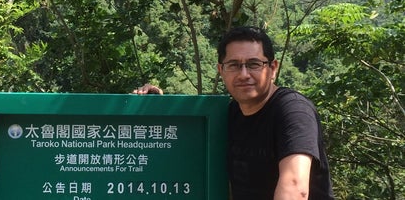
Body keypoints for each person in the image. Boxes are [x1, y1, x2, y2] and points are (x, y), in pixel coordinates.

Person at [133, 26, 334, 199]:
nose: (244, 74)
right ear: (221, 71)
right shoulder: (231, 113)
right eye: (234, 65)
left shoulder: (292, 110)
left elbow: (295, 189)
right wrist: (155, 105)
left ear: (272, 68)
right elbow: (185, 142)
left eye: (254, 64)